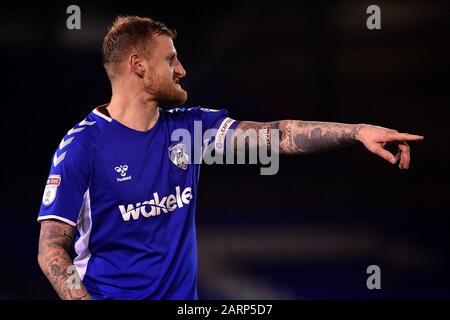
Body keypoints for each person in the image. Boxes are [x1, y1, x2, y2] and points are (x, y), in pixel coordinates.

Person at [37, 16, 424, 300]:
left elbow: (279, 136)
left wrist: (356, 131)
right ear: (138, 65)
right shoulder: (83, 146)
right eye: (170, 59)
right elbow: (51, 249)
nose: (182, 69)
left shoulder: (189, 129)